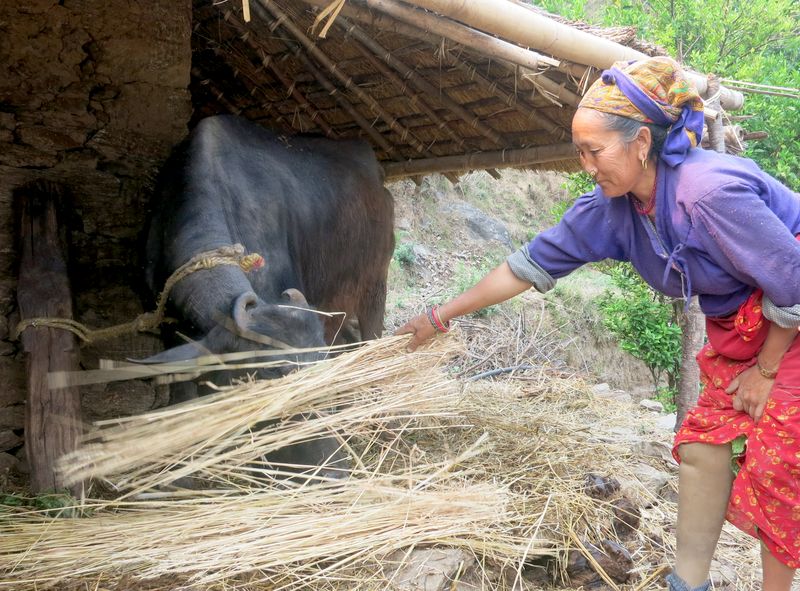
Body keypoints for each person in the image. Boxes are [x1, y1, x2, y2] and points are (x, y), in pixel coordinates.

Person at [397, 56, 800, 591]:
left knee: (779, 458)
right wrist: (437, 316)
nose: (586, 164)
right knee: (702, 448)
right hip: (740, 329)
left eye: (595, 150)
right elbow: (527, 266)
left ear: (640, 144)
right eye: (579, 151)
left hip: (788, 320)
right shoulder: (613, 207)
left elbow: (792, 284)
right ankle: (687, 584)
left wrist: (767, 372)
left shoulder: (709, 193)